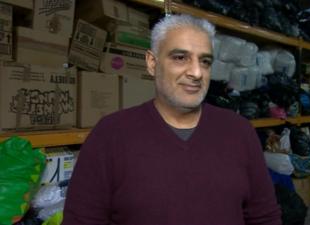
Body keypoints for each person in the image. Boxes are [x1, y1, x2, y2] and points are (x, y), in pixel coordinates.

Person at [62, 14, 282, 225]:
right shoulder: (111, 134)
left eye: (205, 61)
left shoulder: (239, 132)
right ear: (152, 63)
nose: (196, 72)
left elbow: (264, 217)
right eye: (180, 57)